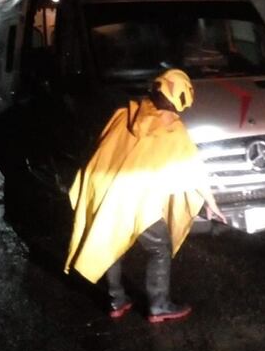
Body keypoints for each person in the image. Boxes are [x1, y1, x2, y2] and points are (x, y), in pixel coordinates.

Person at [63, 68, 226, 323]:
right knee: (160, 247)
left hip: (106, 188)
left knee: (110, 241)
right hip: (136, 197)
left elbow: (103, 149)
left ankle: (117, 301)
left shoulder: (125, 114)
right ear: (183, 98)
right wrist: (212, 204)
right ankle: (159, 306)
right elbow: (194, 172)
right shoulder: (173, 129)